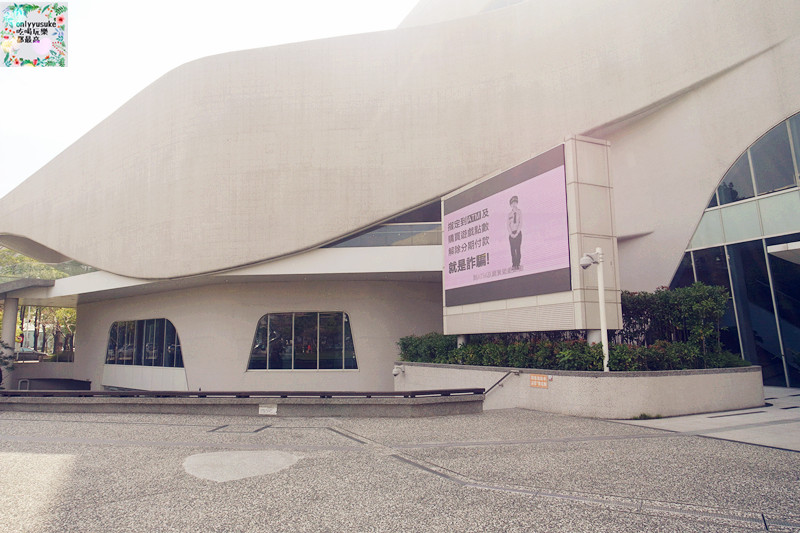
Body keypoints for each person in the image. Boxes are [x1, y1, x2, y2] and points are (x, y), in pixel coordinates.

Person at [507, 195, 522, 270]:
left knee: (518, 249)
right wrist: (511, 234)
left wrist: (517, 233)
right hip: (511, 234)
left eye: (515, 202)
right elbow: (508, 225)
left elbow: (520, 223)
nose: (514, 204)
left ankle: (518, 264)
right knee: (512, 249)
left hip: (518, 233)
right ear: (510, 204)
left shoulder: (519, 212)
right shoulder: (509, 214)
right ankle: (514, 264)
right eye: (512, 203)